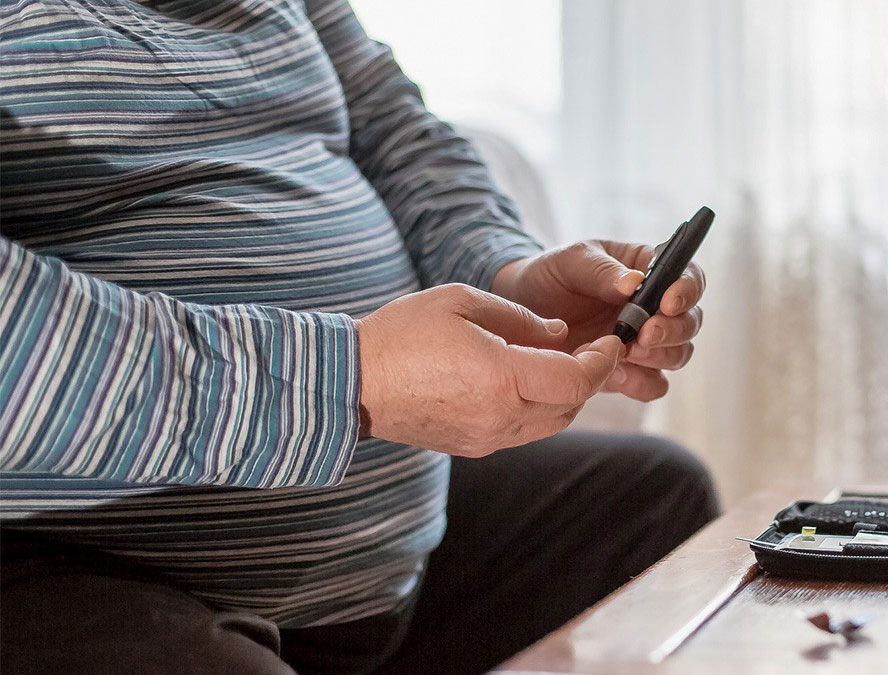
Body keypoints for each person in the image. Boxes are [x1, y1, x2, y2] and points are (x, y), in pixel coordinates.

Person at [0, 1, 718, 673]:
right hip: (77, 559)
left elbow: (398, 134)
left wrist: (506, 274)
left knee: (658, 501)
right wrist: (352, 380)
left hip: (383, 561)